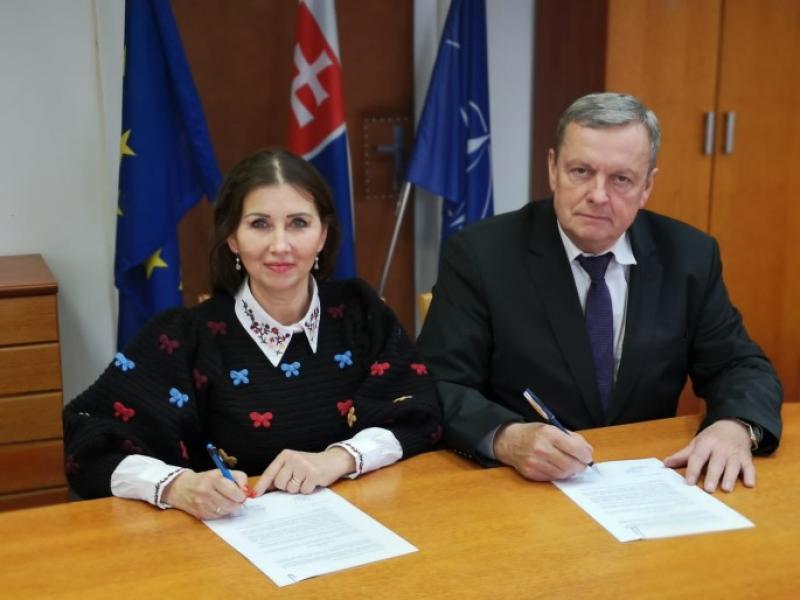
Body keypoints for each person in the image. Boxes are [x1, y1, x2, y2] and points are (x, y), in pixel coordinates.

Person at [417, 92, 782, 494]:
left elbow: (739, 366)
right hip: (521, 486)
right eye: (581, 171)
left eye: (621, 179)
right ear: (553, 169)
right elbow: (438, 383)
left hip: (646, 482)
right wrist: (505, 437)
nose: (598, 195)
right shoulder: (481, 255)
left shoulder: (689, 256)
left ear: (647, 186)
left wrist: (735, 426)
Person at [64, 148, 441, 519]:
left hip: (364, 526)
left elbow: (420, 412)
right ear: (232, 238)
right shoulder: (184, 338)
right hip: (228, 540)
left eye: (298, 223)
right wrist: (177, 485)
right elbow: (88, 437)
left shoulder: (360, 312)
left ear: (323, 236)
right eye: (260, 224)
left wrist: (338, 459)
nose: (280, 246)